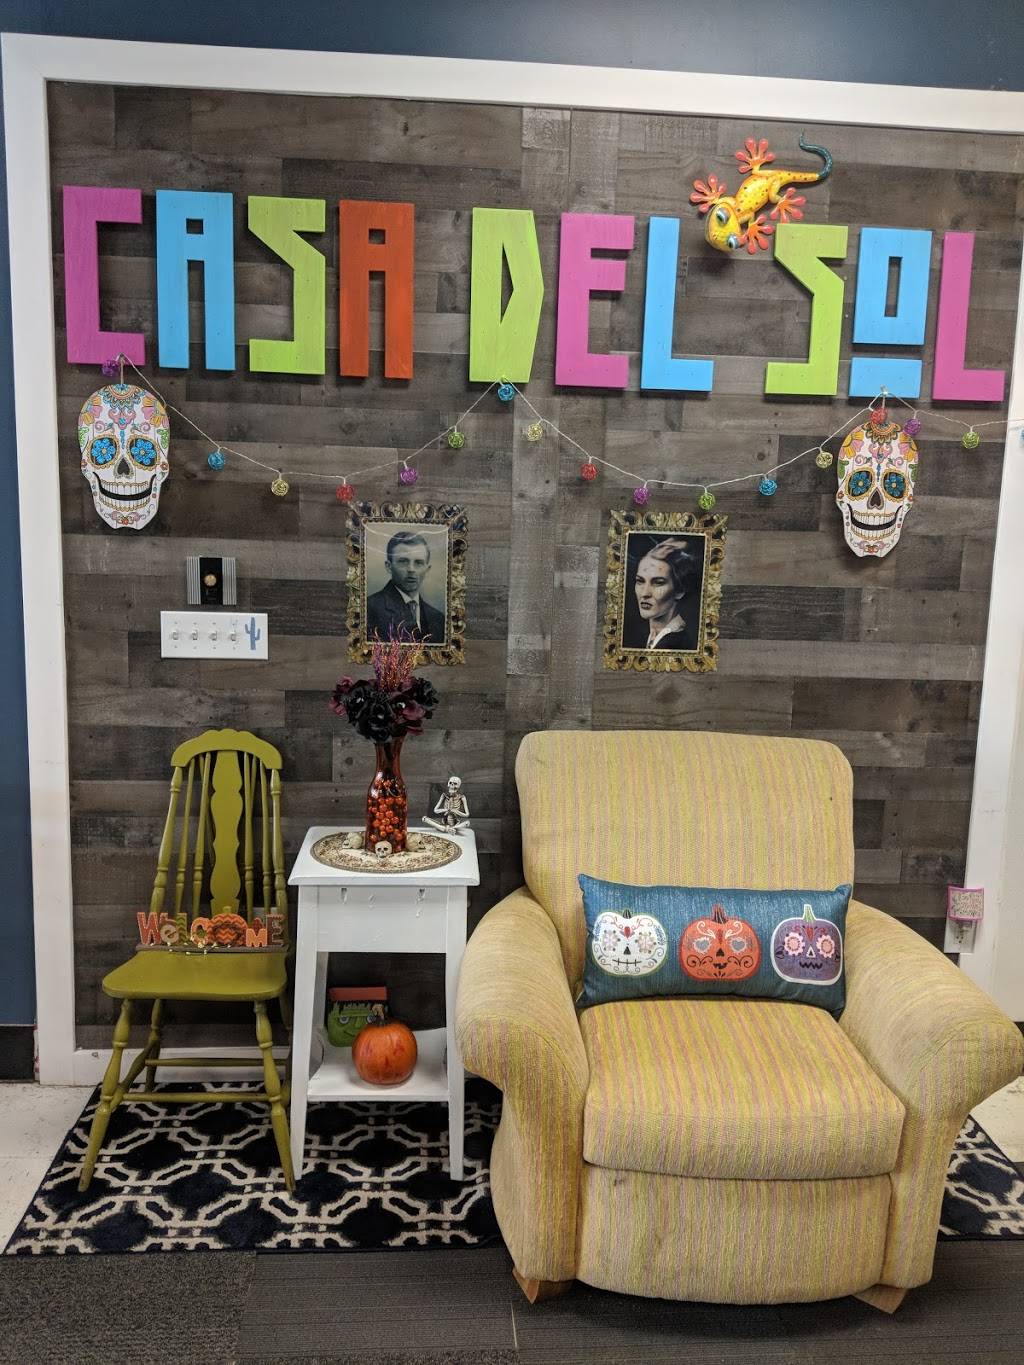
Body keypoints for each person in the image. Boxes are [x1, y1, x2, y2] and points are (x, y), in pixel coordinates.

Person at [365, 530, 446, 644]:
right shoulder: (369, 609)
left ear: (427, 569)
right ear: (389, 566)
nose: (411, 569)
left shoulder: (438, 618)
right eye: (403, 561)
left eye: (418, 563)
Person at [628, 536, 701, 651]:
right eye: (640, 581)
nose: (645, 593)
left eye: (658, 583)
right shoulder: (648, 639)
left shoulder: (680, 644)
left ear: (680, 591)